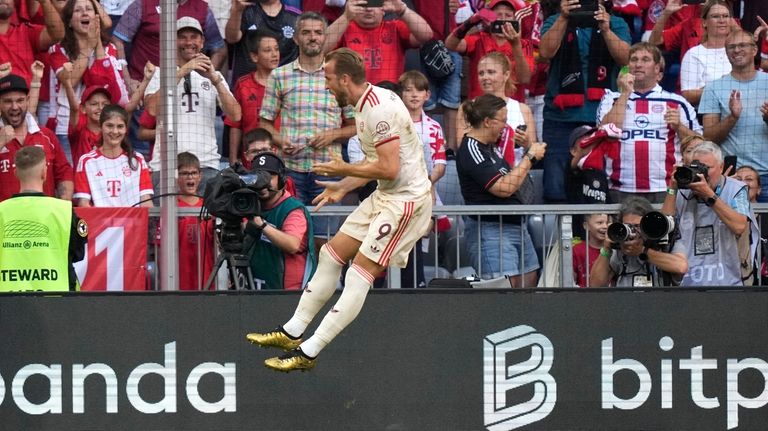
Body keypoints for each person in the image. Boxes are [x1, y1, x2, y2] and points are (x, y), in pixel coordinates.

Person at [246, 48, 433, 372]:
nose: (326, 85)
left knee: (359, 273)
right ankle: (292, 331)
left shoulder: (379, 111)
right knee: (332, 253)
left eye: (329, 78)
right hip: (384, 195)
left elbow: (388, 168)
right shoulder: (364, 105)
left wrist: (343, 168)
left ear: (346, 79)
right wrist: (343, 186)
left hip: (406, 202)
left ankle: (309, 352)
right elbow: (378, 164)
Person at [259, 12, 356, 246]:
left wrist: (333, 135)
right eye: (306, 33)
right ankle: (295, 284)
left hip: (328, 171)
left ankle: (323, 284)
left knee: (325, 239)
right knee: (292, 237)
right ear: (296, 39)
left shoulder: (341, 77)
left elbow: (355, 127)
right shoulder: (279, 76)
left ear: (325, 37)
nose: (312, 37)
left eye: (318, 32)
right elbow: (265, 123)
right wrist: (280, 141)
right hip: (291, 170)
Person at [538, 0, 630, 203]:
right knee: (556, 187)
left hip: (601, 119)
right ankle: (560, 235)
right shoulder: (555, 20)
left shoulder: (616, 23)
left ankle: (595, 232)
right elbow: (545, 52)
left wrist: (606, 30)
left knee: (599, 186)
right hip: (560, 118)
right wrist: (563, 18)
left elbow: (626, 59)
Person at [455, 94, 546, 286]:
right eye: (503, 121)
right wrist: (529, 157)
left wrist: (528, 148)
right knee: (503, 293)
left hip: (516, 226)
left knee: (530, 282)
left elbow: (514, 177)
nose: (506, 126)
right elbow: (503, 188)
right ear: (487, 121)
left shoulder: (491, 147)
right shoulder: (471, 148)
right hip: (491, 231)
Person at [143, 17, 241, 193]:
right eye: (183, 37)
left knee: (207, 221)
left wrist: (216, 80)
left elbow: (236, 115)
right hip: (166, 166)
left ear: (202, 42)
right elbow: (152, 109)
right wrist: (183, 71)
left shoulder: (214, 76)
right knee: (163, 221)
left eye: (194, 37)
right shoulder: (159, 73)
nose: (189, 42)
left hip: (206, 165)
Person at [597, 42, 701, 203]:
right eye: (633, 59)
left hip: (666, 187)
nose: (638, 64)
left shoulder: (677, 102)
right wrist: (625, 93)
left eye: (645, 59)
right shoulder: (611, 99)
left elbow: (699, 145)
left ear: (658, 69)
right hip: (620, 188)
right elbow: (608, 134)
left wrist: (679, 127)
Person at [48, 0, 127, 164]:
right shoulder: (58, 50)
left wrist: (95, 45)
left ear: (96, 17)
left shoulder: (108, 49)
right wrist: (87, 49)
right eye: (78, 10)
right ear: (69, 21)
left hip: (103, 129)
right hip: (68, 128)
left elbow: (109, 87)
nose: (84, 13)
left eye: (89, 9)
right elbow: (70, 80)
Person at [0, 145, 87, 291]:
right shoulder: (64, 211)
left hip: (7, 304)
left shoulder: (2, 211)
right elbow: (77, 254)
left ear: (15, 173)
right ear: (44, 173)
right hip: (57, 301)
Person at [671, 141, 758, 286]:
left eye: (707, 168)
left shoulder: (738, 189)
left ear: (721, 166)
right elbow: (664, 227)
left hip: (730, 281)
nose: (702, 173)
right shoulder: (683, 190)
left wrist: (709, 195)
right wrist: (672, 188)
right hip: (688, 284)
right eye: (697, 167)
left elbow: (739, 226)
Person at [699, 29, 768, 201]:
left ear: (755, 50)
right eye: (731, 47)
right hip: (731, 177)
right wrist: (732, 117)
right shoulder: (714, 88)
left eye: (742, 45)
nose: (736, 50)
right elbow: (709, 138)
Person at [246, 152, 315, 290]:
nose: (263, 182)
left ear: (282, 179)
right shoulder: (250, 205)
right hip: (258, 288)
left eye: (270, 176)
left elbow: (292, 244)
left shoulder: (293, 209)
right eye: (258, 176)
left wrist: (262, 225)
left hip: (288, 296)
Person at [0, 73, 72, 202]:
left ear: (28, 100)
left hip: (43, 218)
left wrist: (63, 204)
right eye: (8, 101)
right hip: (5, 220)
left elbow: (63, 173)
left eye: (20, 100)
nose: (15, 107)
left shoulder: (46, 136)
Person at [323, 0, 433, 84]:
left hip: (388, 97)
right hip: (352, 98)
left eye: (374, 3)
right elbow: (321, 49)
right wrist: (346, 16)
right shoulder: (344, 28)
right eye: (363, 5)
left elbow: (426, 35)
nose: (369, 9)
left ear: (383, 9)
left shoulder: (395, 27)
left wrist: (403, 10)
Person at [589, 195, 688, 287]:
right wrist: (606, 249)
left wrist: (643, 251)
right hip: (627, 303)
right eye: (628, 226)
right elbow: (595, 285)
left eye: (637, 226)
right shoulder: (619, 247)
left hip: (659, 303)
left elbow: (681, 267)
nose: (633, 231)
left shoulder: (664, 242)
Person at [445, 0, 534, 102]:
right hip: (479, 106)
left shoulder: (524, 44)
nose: (503, 19)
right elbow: (449, 45)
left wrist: (516, 45)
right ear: (489, 18)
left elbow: (525, 79)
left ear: (515, 20)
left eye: (508, 15)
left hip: (510, 108)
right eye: (498, 15)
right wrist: (470, 22)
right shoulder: (479, 38)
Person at [457, 52, 536, 165]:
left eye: (491, 72)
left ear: (506, 74)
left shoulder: (523, 109)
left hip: (516, 174)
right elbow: (462, 147)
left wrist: (527, 144)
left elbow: (534, 152)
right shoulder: (468, 108)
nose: (485, 77)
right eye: (481, 73)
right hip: (482, 174)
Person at [73, 104, 153, 207]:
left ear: (126, 129)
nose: (115, 131)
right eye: (109, 126)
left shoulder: (137, 159)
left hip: (132, 222)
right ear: (101, 127)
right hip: (100, 222)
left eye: (120, 126)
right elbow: (84, 203)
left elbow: (146, 200)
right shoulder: (87, 161)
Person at [226, 30, 280, 166]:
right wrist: (233, 159)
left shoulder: (287, 83)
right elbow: (236, 124)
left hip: (281, 158)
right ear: (254, 56)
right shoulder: (243, 84)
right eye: (268, 50)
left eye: (277, 49)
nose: (274, 55)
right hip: (251, 160)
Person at [224, 0, 300, 84]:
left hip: (284, 85)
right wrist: (237, 11)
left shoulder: (295, 16)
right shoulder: (245, 10)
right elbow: (231, 38)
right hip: (247, 88)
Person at [679, 0, 734, 106]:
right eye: (715, 16)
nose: (722, 20)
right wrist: (719, 87)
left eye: (726, 16)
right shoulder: (694, 54)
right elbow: (688, 94)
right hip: (707, 115)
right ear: (704, 22)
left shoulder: (738, 51)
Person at [174, 151, 214, 290]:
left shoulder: (210, 207)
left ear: (200, 176)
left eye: (194, 173)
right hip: (179, 278)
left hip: (207, 276)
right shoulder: (171, 207)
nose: (190, 177)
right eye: (184, 173)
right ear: (176, 177)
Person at [0, 0, 64, 85]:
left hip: (27, 97)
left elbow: (57, 35)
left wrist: (45, 2)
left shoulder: (25, 31)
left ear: (14, 3)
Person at [572, 213, 608, 287]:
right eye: (599, 223)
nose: (605, 226)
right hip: (584, 296)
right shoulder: (576, 250)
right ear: (586, 226)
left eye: (607, 223)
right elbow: (571, 281)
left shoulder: (615, 250)